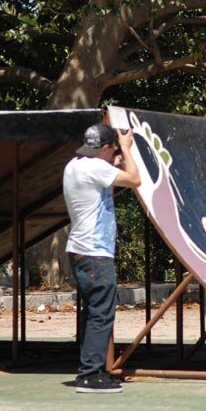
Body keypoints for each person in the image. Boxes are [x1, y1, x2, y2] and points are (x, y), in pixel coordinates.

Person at [62, 122, 140, 393]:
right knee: (101, 315)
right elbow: (134, 180)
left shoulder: (75, 165)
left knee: (93, 313)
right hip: (95, 252)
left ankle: (90, 370)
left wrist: (115, 162)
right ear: (106, 148)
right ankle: (90, 375)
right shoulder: (96, 167)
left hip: (81, 250)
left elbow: (102, 185)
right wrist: (127, 150)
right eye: (113, 150)